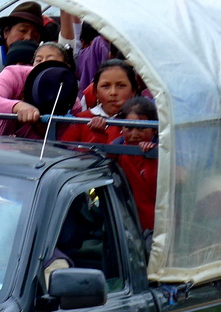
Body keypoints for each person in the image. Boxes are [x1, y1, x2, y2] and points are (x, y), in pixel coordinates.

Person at [0, 43, 76, 138]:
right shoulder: (14, 74)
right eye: (38, 60)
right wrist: (18, 107)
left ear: (66, 66)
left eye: (50, 60)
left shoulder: (72, 100)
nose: (43, 64)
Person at [58, 59, 140, 145]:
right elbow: (65, 151)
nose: (113, 92)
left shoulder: (141, 120)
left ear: (133, 91)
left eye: (121, 86)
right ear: (96, 92)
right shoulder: (82, 119)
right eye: (105, 86)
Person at [114, 96, 158, 232]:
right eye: (129, 128)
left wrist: (152, 156)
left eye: (141, 128)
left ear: (155, 129)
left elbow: (156, 187)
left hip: (153, 225)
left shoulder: (160, 152)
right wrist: (97, 133)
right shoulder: (117, 149)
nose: (134, 134)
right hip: (124, 225)